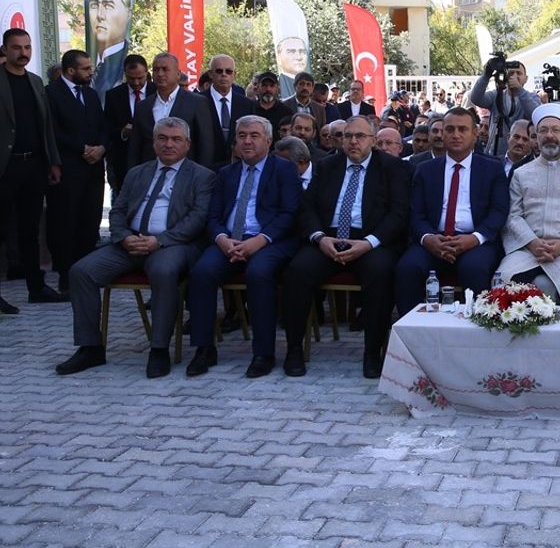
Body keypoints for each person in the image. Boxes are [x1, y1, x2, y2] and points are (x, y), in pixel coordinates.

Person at [54, 117, 215, 378]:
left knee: (163, 272)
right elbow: (118, 210)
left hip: (172, 245)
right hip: (129, 243)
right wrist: (123, 237)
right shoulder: (137, 173)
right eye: (162, 138)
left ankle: (159, 349)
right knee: (81, 272)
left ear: (187, 144)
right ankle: (90, 347)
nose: (169, 144)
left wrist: (159, 240)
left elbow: (197, 219)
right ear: (154, 143)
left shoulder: (202, 176)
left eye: (176, 139)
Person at [280, 116, 411, 379]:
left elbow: (399, 214)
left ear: (373, 141)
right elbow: (306, 208)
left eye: (360, 136)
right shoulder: (327, 165)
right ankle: (293, 349)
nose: (352, 141)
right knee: (297, 270)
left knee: (381, 272)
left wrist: (369, 243)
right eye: (348, 136)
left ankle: (373, 352)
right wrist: (320, 238)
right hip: (328, 239)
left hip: (370, 241)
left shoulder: (392, 168)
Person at [183, 115, 302, 378]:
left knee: (258, 273)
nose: (247, 141)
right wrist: (222, 239)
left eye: (254, 136)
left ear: (268, 141)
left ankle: (263, 353)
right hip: (229, 240)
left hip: (268, 241)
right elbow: (213, 216)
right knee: (201, 273)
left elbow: (290, 214)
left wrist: (259, 241)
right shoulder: (226, 173)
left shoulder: (284, 170)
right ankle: (204, 348)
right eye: (242, 136)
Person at [0, 28, 64, 305]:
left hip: (34, 164)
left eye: (27, 47)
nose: (23, 53)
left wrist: (53, 161)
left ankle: (37, 287)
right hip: (2, 167)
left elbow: (45, 126)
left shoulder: (35, 81)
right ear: (5, 49)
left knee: (30, 230)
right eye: (17, 47)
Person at [395, 107, 509, 316]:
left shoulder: (492, 169)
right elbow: (416, 213)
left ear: (475, 134)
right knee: (408, 268)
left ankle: (477, 328)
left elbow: (499, 211)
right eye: (450, 129)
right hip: (434, 240)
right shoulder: (426, 170)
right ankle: (411, 331)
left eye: (462, 129)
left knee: (474, 268)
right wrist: (429, 238)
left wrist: (474, 238)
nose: (456, 135)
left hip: (475, 242)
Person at [497, 104, 560, 301]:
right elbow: (513, 215)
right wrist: (532, 242)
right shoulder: (521, 173)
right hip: (527, 249)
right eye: (543, 130)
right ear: (536, 136)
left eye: (556, 130)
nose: (549, 135)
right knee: (503, 279)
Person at [44, 50, 106, 293]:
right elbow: (52, 130)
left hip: (93, 170)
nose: (91, 72)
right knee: (65, 222)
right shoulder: (51, 94)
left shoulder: (91, 94)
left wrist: (101, 147)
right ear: (71, 70)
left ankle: (87, 272)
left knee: (90, 222)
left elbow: (102, 125)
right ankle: (66, 274)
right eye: (86, 69)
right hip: (68, 169)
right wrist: (82, 148)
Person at [127, 53, 215, 168]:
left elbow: (205, 145)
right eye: (156, 70)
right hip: (150, 173)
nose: (160, 74)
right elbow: (135, 147)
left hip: (186, 172)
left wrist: (202, 175)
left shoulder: (197, 103)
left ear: (178, 74)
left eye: (165, 69)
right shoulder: (143, 106)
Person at [469, 59, 542, 158]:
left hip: (523, 155)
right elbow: (475, 98)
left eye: (519, 73)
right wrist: (486, 75)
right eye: (511, 73)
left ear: (526, 78)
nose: (515, 76)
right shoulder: (496, 95)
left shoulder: (532, 97)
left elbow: (535, 114)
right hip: (496, 153)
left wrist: (519, 90)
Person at [103, 55, 150, 197]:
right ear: (125, 74)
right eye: (131, 78)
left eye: (140, 78)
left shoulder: (158, 91)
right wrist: (122, 133)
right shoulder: (114, 95)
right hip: (123, 160)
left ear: (147, 73)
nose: (136, 82)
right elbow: (107, 127)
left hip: (151, 158)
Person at [199, 55, 254, 170]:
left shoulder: (247, 104)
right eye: (219, 71)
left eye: (228, 71)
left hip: (238, 168)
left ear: (234, 75)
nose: (224, 75)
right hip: (204, 168)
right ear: (210, 74)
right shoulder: (197, 101)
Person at [87, 0, 131, 94]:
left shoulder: (127, 64)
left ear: (128, 14)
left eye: (108, 6)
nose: (100, 15)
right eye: (94, 5)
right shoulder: (87, 67)